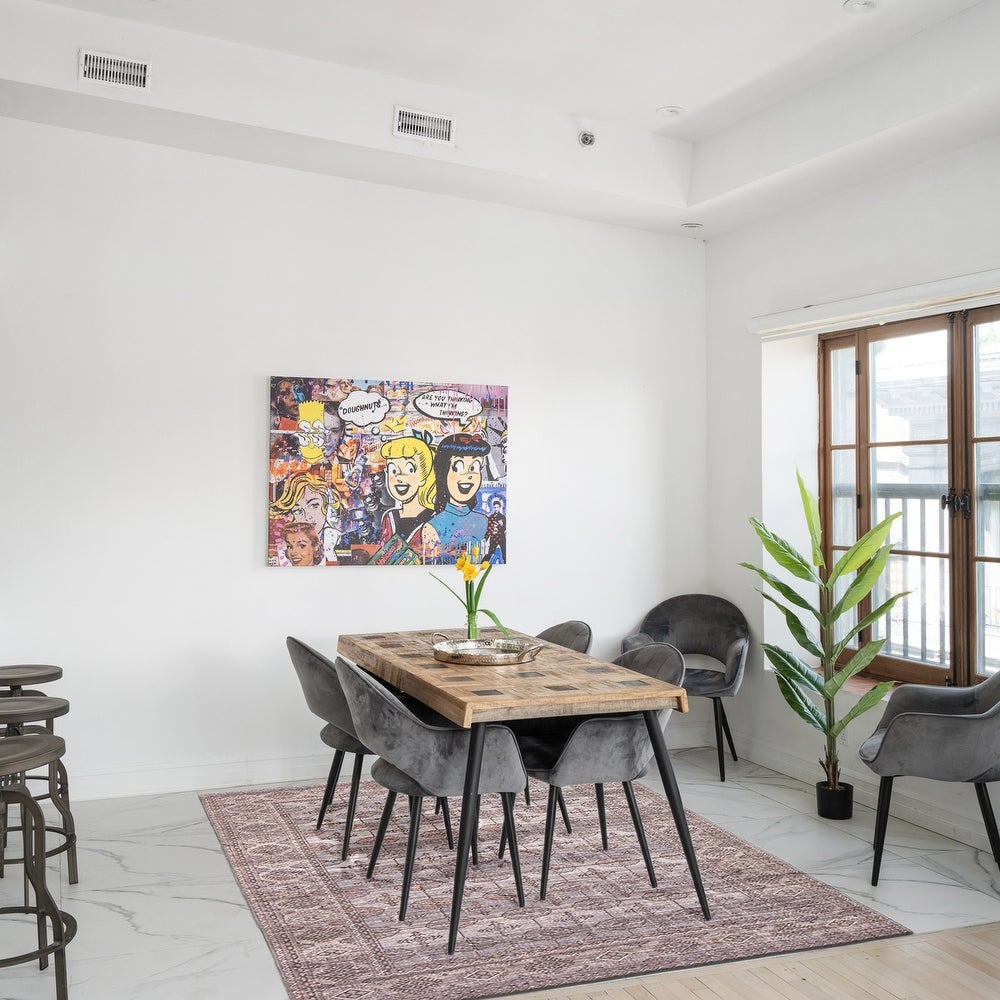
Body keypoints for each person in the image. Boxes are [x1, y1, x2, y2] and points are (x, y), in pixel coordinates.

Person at [419, 433, 491, 564]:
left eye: (474, 467)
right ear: (443, 473)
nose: (468, 475)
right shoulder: (432, 528)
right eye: (458, 467)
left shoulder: (485, 521)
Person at [378, 433, 436, 550]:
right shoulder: (389, 518)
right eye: (393, 470)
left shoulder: (434, 519)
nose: (399, 478)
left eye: (409, 469)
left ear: (423, 477)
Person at [269, 472, 341, 564]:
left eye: (314, 505)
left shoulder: (336, 539)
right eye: (298, 511)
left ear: (326, 506)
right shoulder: (285, 547)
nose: (307, 517)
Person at [485, 497, 507, 563]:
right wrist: (485, 538)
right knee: (490, 553)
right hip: (493, 538)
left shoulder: (503, 517)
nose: (496, 508)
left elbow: (505, 529)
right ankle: (485, 564)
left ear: (499, 507)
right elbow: (488, 528)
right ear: (493, 508)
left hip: (501, 538)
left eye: (497, 507)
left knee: (504, 553)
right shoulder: (491, 517)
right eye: (495, 507)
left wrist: (502, 524)